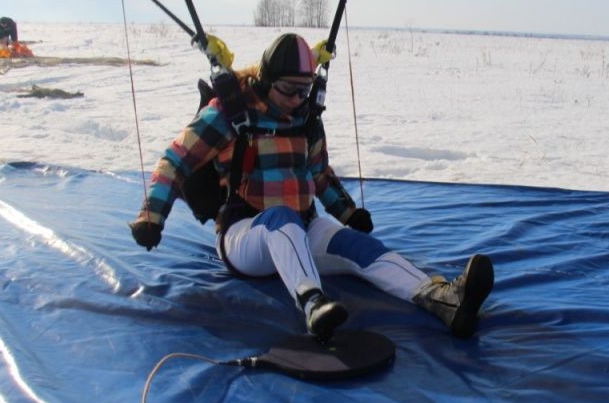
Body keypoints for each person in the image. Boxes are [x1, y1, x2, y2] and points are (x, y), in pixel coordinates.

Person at [129, 33, 494, 341]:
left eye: (305, 92)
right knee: (281, 219)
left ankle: (444, 299)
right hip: (245, 236)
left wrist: (347, 211)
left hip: (302, 227)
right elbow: (175, 161)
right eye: (289, 91)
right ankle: (313, 303)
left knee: (356, 247)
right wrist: (152, 215)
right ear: (267, 80)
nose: (297, 101)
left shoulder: (306, 119)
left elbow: (318, 173)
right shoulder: (229, 113)